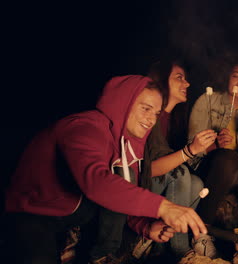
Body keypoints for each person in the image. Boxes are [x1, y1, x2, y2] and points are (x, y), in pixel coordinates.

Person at [4, 75, 207, 264]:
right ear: (123, 103)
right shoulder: (85, 127)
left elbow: (121, 194)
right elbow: (97, 182)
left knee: (121, 182)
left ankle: (90, 251)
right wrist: (163, 207)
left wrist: (146, 227)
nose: (152, 120)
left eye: (156, 113)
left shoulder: (127, 144)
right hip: (33, 214)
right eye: (145, 108)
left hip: (73, 213)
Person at [188, 60, 238, 257]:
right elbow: (192, 148)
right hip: (211, 166)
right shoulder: (208, 101)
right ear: (226, 77)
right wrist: (216, 144)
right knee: (228, 158)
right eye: (236, 76)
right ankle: (201, 233)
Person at [141, 59, 216, 259]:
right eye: (179, 78)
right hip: (137, 187)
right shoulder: (151, 117)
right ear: (161, 81)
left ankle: (159, 247)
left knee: (197, 182)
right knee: (180, 173)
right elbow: (149, 170)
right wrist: (190, 150)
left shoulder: (173, 118)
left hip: (157, 185)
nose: (187, 84)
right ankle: (181, 250)